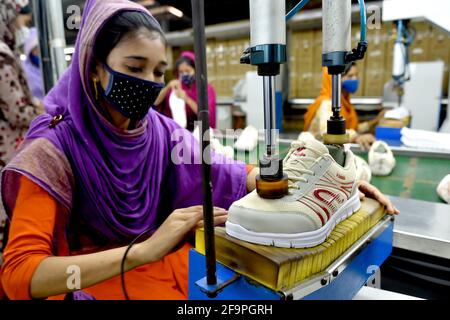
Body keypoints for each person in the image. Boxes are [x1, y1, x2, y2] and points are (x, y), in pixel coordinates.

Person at [0, 0, 398, 301]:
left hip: (161, 273)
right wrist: (142, 251)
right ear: (94, 68)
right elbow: (19, 274)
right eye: (135, 67)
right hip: (94, 284)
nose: (150, 82)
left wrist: (326, 184)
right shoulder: (52, 151)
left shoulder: (160, 133)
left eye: (158, 72)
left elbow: (223, 172)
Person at [0, 0, 42, 169]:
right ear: (8, 17)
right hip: (8, 151)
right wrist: (46, 115)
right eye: (22, 23)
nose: (21, 30)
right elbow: (17, 113)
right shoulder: (3, 56)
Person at [303, 63, 386, 150]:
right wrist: (356, 137)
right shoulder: (327, 103)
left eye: (356, 75)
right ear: (335, 79)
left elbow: (352, 128)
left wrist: (375, 122)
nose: (355, 79)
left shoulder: (345, 103)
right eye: (350, 76)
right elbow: (330, 133)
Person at [155, 51, 217, 131]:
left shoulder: (206, 88)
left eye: (188, 71)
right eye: (181, 72)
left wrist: (186, 98)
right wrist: (168, 87)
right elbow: (156, 101)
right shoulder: (176, 86)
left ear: (196, 70)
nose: (184, 74)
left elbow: (208, 116)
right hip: (176, 131)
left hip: (198, 131)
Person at [23, 27, 45, 101]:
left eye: (40, 50)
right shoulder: (25, 71)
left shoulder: (50, 68)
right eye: (35, 50)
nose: (38, 53)